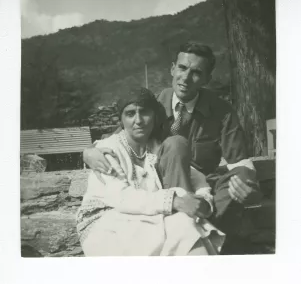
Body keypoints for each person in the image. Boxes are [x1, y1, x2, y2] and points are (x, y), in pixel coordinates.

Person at [83, 41, 261, 241]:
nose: (186, 78)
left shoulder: (221, 110)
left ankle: (198, 224)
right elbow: (122, 134)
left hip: (203, 189)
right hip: (164, 185)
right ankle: (195, 229)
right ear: (172, 68)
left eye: (196, 73)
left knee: (242, 176)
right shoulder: (154, 104)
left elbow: (240, 163)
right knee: (176, 144)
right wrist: (88, 151)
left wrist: (249, 186)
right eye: (182, 68)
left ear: (206, 79)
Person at [77, 87, 225, 256]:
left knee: (184, 224)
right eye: (130, 114)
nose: (138, 120)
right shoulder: (108, 149)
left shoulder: (156, 148)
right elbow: (121, 197)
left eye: (144, 112)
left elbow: (196, 177)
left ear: (154, 116)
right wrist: (174, 201)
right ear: (121, 120)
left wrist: (204, 200)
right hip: (107, 221)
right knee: (180, 227)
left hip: (145, 216)